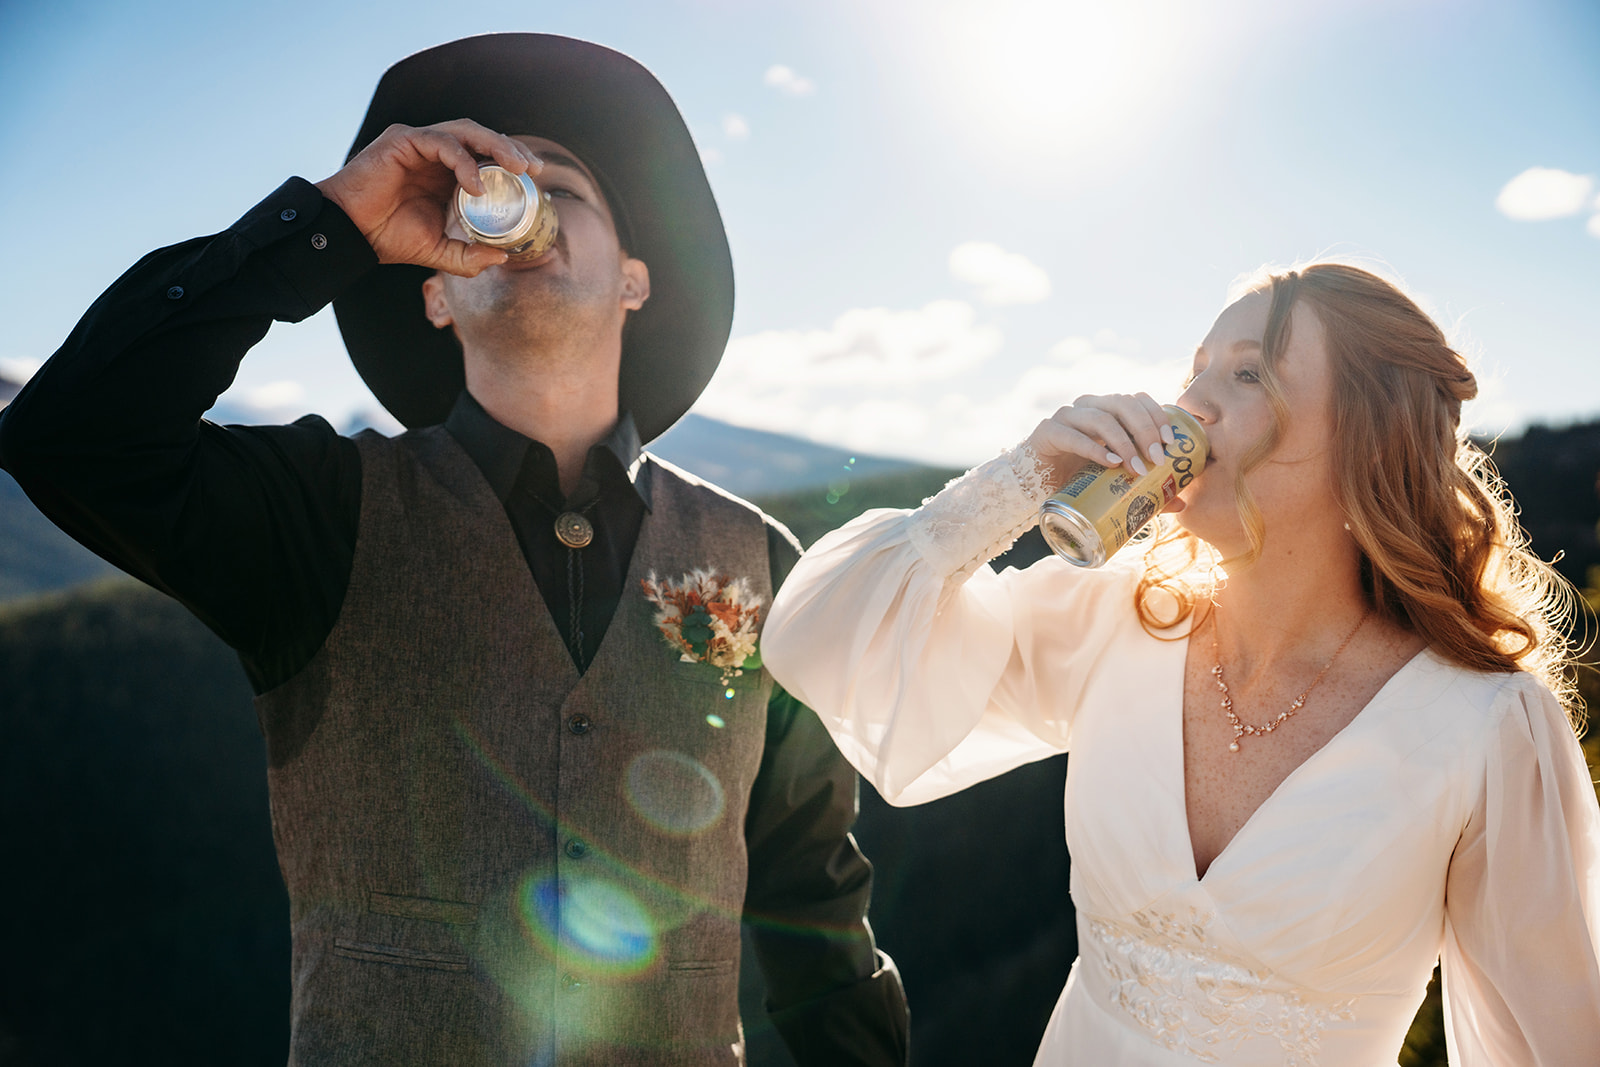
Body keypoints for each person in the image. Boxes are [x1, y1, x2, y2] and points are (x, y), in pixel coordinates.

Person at [0, 34, 908, 1067]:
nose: (524, 204)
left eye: (563, 189)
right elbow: (68, 436)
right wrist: (332, 222)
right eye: (493, 189)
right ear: (435, 291)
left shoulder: (761, 558)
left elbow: (815, 905)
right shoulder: (321, 513)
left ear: (634, 280)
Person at [762, 262, 1600, 1065]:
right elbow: (818, 643)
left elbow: (1555, 1039)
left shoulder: (1487, 729)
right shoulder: (1115, 618)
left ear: (1369, 435)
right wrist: (1022, 478)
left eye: (1248, 373)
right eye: (1195, 371)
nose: (1190, 402)